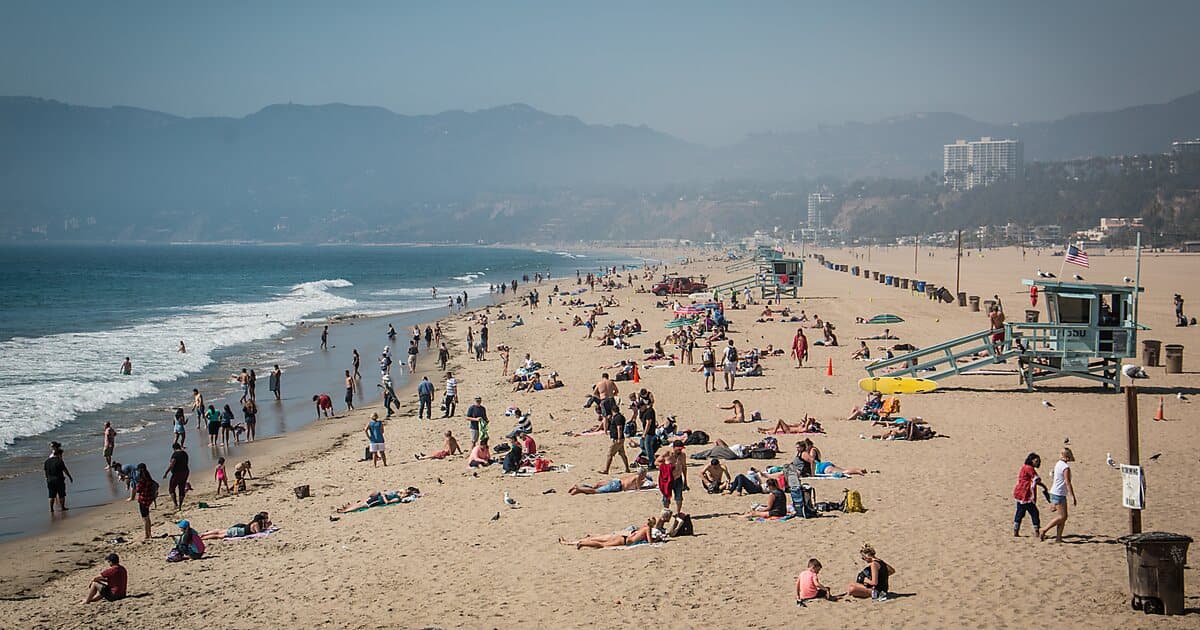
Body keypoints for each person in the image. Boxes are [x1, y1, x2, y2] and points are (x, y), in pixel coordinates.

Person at [1039, 448, 1077, 542]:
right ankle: (1044, 529)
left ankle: (1059, 537)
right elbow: (1067, 482)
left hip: (1056, 492)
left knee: (1063, 517)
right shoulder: (1065, 467)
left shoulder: (1058, 464)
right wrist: (1072, 496)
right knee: (1062, 516)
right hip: (1059, 493)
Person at [557, 518, 661, 549]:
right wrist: (655, 540)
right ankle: (583, 543)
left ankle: (567, 542)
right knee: (602, 545)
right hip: (624, 541)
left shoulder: (642, 527)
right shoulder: (648, 529)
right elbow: (650, 542)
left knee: (597, 539)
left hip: (622, 536)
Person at [1013, 452, 1049, 537]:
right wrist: (1043, 485)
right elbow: (1036, 479)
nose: (1037, 463)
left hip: (1020, 493)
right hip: (1026, 494)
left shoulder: (1024, 467)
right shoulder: (1029, 468)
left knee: (1020, 513)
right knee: (1034, 513)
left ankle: (1016, 530)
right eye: (1036, 461)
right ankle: (1037, 531)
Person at [656, 440, 688, 513]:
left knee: (679, 497)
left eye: (681, 449)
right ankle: (666, 512)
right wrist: (667, 467)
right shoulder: (667, 454)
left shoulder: (683, 455)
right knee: (666, 497)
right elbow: (656, 462)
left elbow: (684, 467)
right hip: (667, 479)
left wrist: (685, 480)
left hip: (678, 478)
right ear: (674, 448)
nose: (680, 451)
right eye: (678, 449)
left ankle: (678, 513)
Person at [199, 512, 272, 541]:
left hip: (238, 529)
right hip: (238, 532)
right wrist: (267, 527)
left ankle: (204, 534)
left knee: (219, 531)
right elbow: (258, 533)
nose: (267, 519)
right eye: (266, 518)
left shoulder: (254, 522)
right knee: (218, 535)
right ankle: (203, 538)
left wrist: (266, 526)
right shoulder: (256, 524)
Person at [569, 469, 649, 495]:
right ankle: (578, 487)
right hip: (617, 486)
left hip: (616, 481)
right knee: (595, 491)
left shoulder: (633, 476)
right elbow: (638, 488)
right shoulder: (638, 477)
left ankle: (579, 489)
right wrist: (644, 484)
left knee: (595, 486)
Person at [335, 488, 420, 513]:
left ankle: (345, 510)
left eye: (405, 493)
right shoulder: (397, 493)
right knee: (361, 502)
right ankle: (347, 507)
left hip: (378, 500)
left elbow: (387, 502)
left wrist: (383, 495)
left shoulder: (397, 498)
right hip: (378, 496)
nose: (404, 492)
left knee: (361, 505)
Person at [600, 409, 630, 474]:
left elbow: (619, 428)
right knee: (622, 454)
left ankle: (606, 470)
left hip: (616, 439)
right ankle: (627, 468)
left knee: (610, 454)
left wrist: (619, 438)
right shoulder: (620, 417)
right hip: (620, 438)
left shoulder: (617, 418)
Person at [44, 447, 73, 513]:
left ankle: (51, 509)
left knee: (51, 495)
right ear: (59, 454)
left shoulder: (47, 461)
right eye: (61, 454)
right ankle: (62, 507)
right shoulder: (59, 461)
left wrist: (46, 478)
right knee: (61, 494)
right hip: (59, 480)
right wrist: (69, 477)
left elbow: (45, 471)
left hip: (50, 480)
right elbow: (65, 470)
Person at [163, 443, 189, 511]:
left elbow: (172, 464)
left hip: (177, 473)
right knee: (181, 488)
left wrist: (166, 473)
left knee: (171, 489)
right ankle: (180, 505)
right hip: (185, 471)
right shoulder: (185, 453)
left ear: (174, 448)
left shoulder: (175, 454)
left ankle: (175, 504)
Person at [132, 463, 155, 539]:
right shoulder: (149, 478)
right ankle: (149, 533)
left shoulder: (142, 479)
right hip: (149, 500)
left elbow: (138, 490)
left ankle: (147, 535)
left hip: (143, 500)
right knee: (147, 517)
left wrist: (136, 485)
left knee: (144, 518)